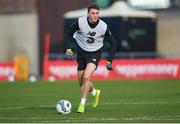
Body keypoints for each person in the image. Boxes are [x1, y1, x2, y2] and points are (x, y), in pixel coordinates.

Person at [64, 4, 117, 113]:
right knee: (81, 81)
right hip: (81, 52)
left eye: (97, 13)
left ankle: (82, 105)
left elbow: (113, 44)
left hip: (95, 53)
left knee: (87, 77)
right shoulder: (80, 22)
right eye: (93, 13)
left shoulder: (103, 26)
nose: (95, 15)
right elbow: (68, 33)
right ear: (88, 14)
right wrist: (69, 49)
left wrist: (109, 61)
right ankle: (94, 92)